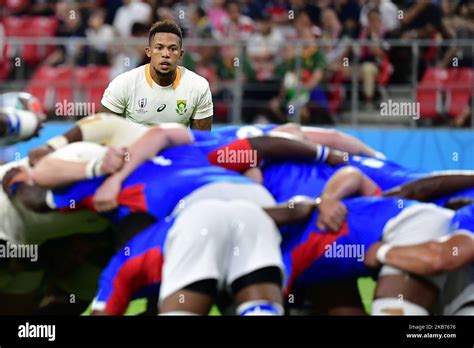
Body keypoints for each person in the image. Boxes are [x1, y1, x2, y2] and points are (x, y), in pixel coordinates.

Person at [100, 20, 213, 130]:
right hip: (134, 148)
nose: (165, 54)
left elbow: (201, 141)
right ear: (148, 52)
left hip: (175, 148)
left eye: (172, 49)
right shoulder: (123, 84)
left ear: (180, 54)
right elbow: (104, 132)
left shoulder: (198, 87)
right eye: (159, 48)